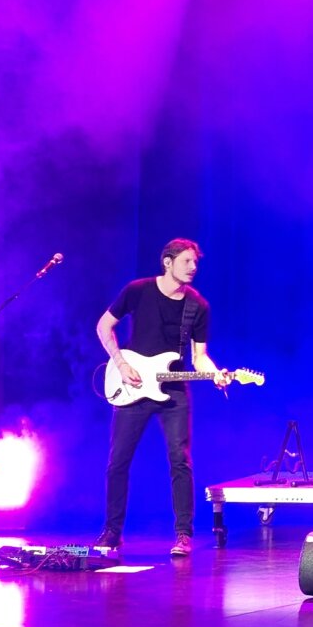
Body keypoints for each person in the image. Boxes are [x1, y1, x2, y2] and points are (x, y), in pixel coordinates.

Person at [94, 238, 229, 556]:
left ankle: (183, 535)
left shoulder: (198, 306)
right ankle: (112, 531)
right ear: (167, 262)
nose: (193, 268)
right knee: (118, 461)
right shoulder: (137, 291)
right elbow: (104, 326)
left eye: (196, 262)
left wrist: (215, 374)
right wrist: (121, 363)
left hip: (173, 391)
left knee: (180, 460)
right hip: (134, 386)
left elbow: (200, 357)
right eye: (187, 261)